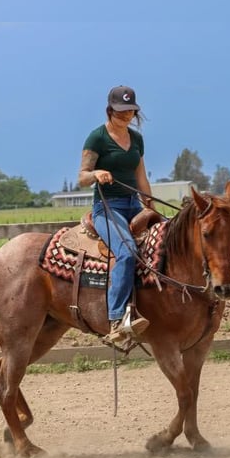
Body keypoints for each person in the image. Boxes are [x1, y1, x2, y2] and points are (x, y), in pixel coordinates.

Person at [78, 85, 154, 344]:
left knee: (170, 237)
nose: (126, 115)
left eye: (130, 111)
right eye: (121, 111)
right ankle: (117, 318)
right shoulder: (97, 138)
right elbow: (82, 178)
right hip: (107, 207)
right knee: (126, 251)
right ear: (109, 110)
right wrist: (96, 174)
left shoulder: (137, 139)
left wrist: (151, 208)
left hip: (133, 202)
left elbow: (141, 178)